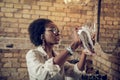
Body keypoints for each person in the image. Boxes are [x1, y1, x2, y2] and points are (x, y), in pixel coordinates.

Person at [26, 18, 94, 80]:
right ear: (42, 35)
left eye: (58, 31)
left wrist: (84, 53)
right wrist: (73, 45)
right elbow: (44, 74)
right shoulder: (32, 54)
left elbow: (75, 71)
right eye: (54, 30)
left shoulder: (57, 56)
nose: (58, 33)